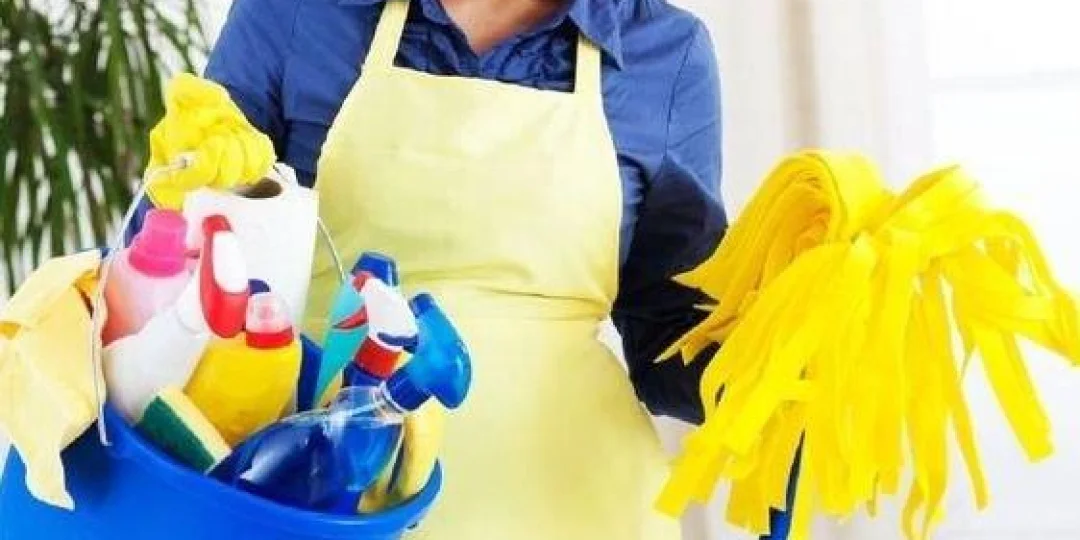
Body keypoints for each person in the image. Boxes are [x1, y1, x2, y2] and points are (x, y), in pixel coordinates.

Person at [155, 0, 757, 537]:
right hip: (320, 493)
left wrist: (777, 372)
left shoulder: (666, 55)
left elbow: (669, 327)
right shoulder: (297, 14)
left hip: (571, 502)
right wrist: (186, 193)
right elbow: (187, 268)